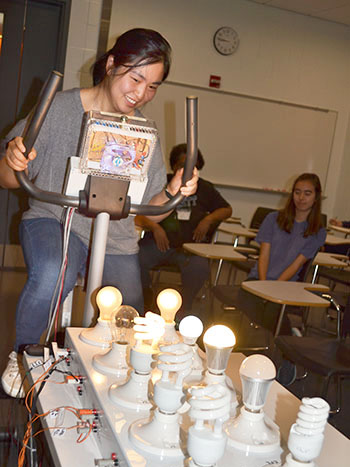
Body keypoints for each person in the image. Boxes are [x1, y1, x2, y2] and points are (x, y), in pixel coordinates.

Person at [0, 28, 198, 397]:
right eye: (136, 77)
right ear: (111, 64)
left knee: (130, 315)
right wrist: (13, 160)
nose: (140, 93)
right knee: (49, 275)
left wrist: (172, 191)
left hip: (115, 235)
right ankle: (24, 354)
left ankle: (119, 383)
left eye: (152, 86)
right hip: (56, 218)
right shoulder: (59, 108)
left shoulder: (144, 132)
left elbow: (150, 215)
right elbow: (8, 178)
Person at [135, 144, 232, 317]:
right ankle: (145, 297)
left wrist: (209, 219)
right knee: (135, 258)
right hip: (158, 245)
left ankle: (183, 308)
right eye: (181, 165)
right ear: (173, 166)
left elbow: (227, 209)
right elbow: (138, 215)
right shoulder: (162, 183)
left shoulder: (206, 188)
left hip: (190, 249)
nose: (185, 169)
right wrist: (155, 227)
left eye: (191, 165)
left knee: (199, 268)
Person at [240, 173, 327, 336]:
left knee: (271, 312)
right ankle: (286, 332)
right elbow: (264, 255)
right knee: (246, 299)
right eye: (297, 192)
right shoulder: (273, 219)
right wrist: (264, 285)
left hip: (285, 284)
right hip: (260, 278)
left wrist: (273, 289)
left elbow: (296, 265)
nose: (301, 198)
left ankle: (286, 340)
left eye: (307, 193)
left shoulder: (318, 231)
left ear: (316, 198)